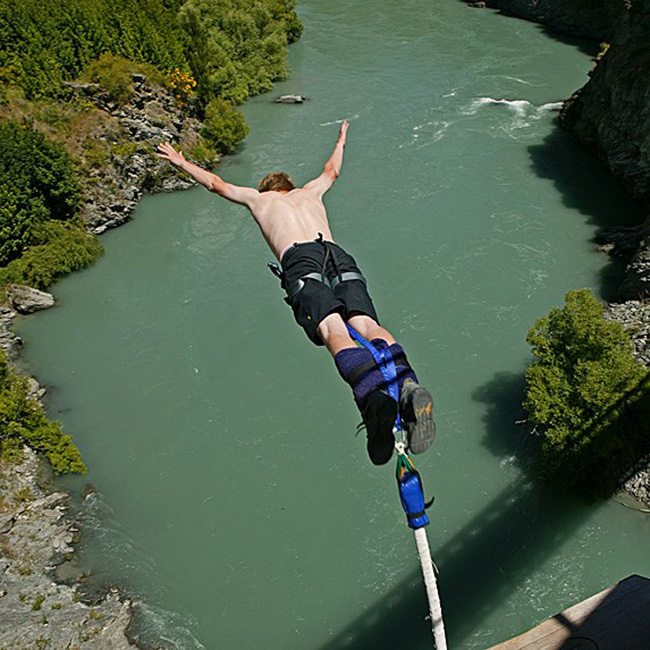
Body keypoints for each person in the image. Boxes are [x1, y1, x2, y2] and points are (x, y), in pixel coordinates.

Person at [157, 121, 435, 465]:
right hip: (336, 253)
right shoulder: (310, 192)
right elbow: (331, 170)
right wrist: (342, 138)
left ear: (270, 188)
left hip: (300, 260)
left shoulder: (259, 199)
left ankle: (373, 398)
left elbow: (216, 184)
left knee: (333, 329)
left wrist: (181, 162)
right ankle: (408, 385)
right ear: (290, 186)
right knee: (365, 324)